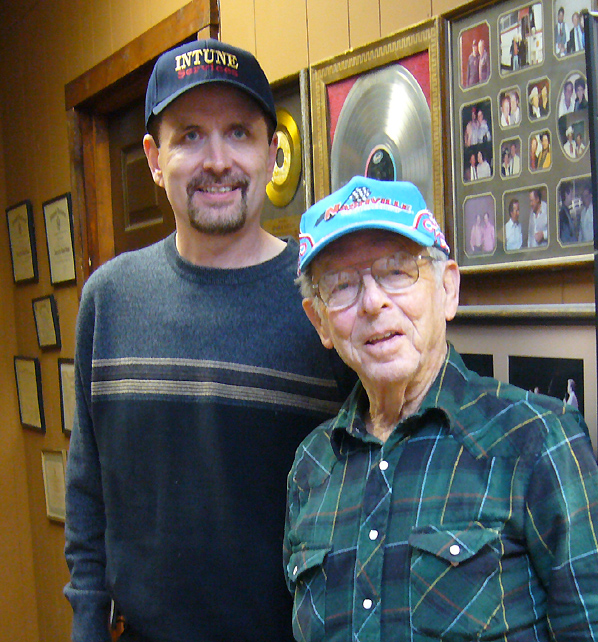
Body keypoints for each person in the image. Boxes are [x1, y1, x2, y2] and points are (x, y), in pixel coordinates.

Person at [63, 39, 355, 642]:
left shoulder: (327, 299)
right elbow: (87, 496)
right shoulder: (108, 298)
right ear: (152, 156)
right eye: (190, 135)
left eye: (240, 134)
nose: (217, 160)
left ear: (272, 152)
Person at [284, 176, 598, 642]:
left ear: (447, 289)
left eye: (396, 271)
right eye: (342, 285)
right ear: (320, 320)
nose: (373, 302)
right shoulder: (310, 468)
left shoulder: (538, 440)